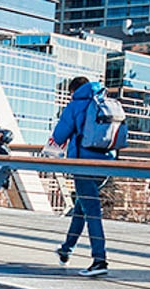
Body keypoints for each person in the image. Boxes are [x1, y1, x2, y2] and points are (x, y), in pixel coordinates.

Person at [50, 75, 127, 277]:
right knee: (82, 208)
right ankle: (66, 248)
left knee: (91, 211)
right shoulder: (106, 101)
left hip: (83, 165)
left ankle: (99, 259)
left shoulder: (76, 105)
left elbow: (58, 136)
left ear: (74, 91)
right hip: (105, 164)